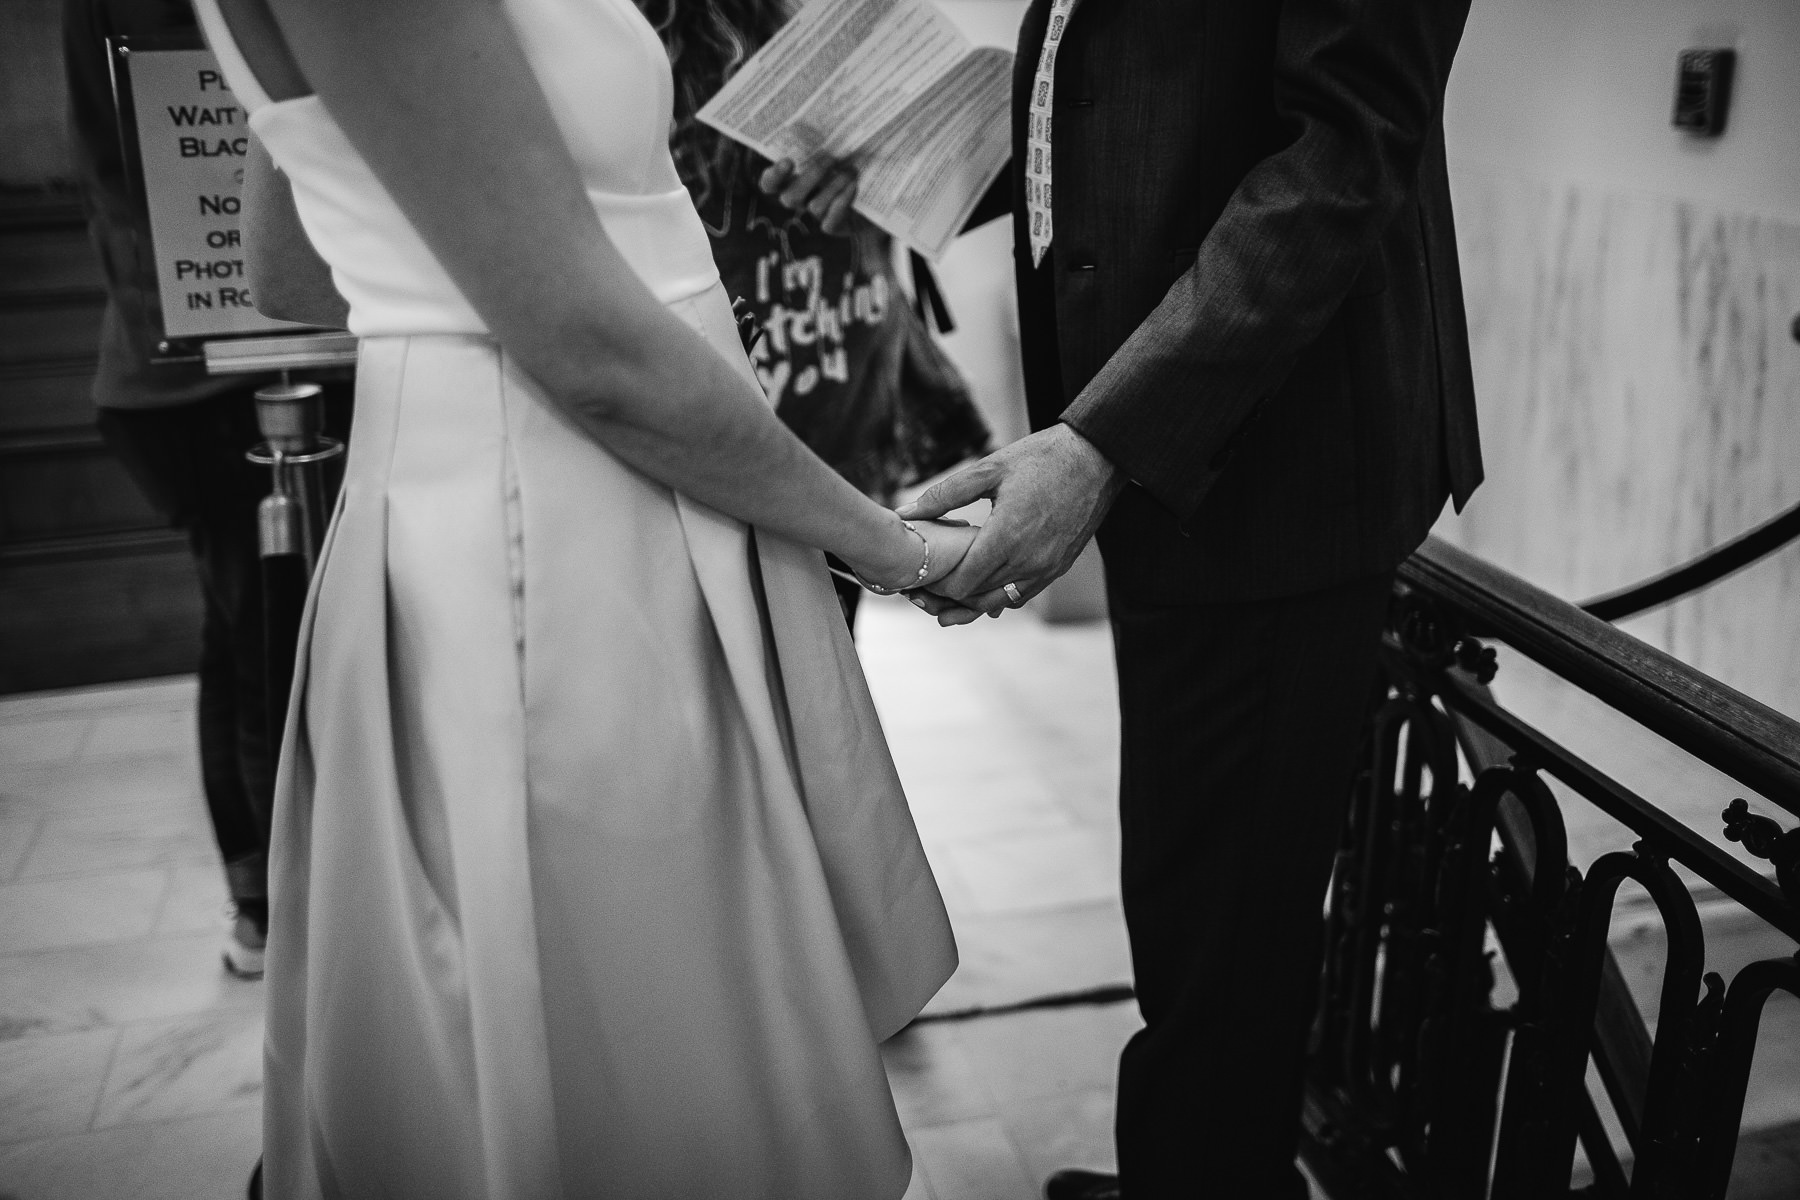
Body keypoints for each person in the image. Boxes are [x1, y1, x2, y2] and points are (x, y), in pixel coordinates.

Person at [191, 0, 976, 1194]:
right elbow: (591, 354)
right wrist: (892, 544)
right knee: (627, 1025)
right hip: (558, 523)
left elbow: (293, 263)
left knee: (672, 994)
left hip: (625, 483)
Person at [773, 1, 1483, 1196]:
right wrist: (915, 162)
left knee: (1229, 943)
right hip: (1181, 449)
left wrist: (1105, 442)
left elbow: (1344, 157)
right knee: (1189, 894)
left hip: (1279, 468)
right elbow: (1144, 104)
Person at [61, 0, 352, 982]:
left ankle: (264, 902)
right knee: (272, 643)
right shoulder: (136, 23)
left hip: (213, 364)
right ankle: (290, 913)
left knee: (243, 637)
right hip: (207, 372)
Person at [638, 0, 992, 628]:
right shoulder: (622, 33)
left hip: (844, 365)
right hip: (716, 388)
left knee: (829, 635)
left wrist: (891, 161)